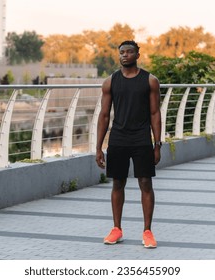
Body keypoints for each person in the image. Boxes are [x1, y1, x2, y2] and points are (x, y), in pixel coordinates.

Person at [95, 40, 162, 248]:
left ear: (137, 55)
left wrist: (157, 144)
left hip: (141, 138)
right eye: (122, 52)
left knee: (145, 184)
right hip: (118, 139)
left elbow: (155, 113)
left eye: (129, 52)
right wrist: (98, 147)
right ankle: (117, 229)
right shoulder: (110, 82)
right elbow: (104, 116)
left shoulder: (150, 81)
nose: (125, 55)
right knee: (118, 183)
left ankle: (147, 231)